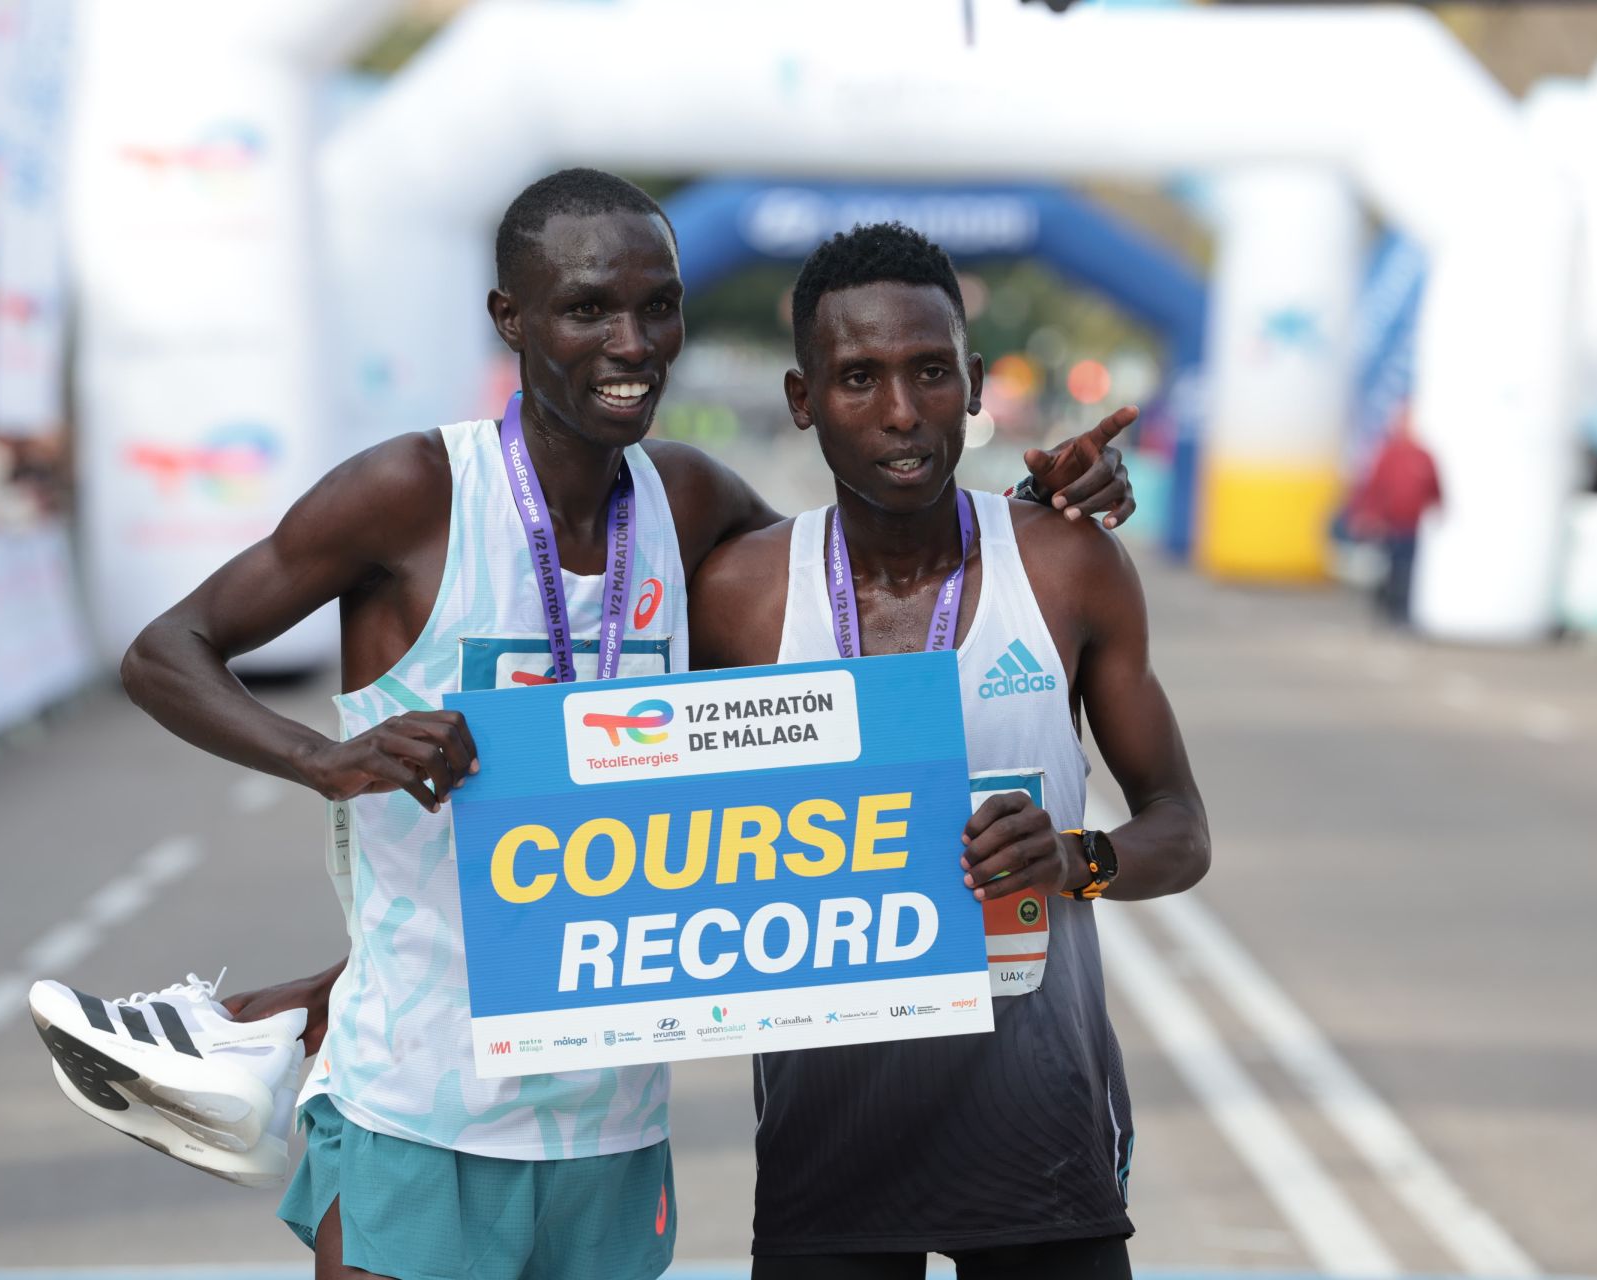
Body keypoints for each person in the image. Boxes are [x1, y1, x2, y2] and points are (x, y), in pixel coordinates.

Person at [101, 170, 1140, 1280]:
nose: (633, 342)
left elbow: (873, 542)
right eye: (589, 308)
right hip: (419, 1094)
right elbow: (165, 650)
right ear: (512, 320)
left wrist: (1030, 522)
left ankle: (270, 1016)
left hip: (608, 1108)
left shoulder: (688, 502)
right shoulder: (414, 491)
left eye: (660, 306)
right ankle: (269, 1025)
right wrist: (327, 758)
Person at [687, 223, 1210, 1277]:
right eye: (858, 378)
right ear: (803, 398)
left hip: (1036, 1133)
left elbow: (1181, 828)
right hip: (826, 1140)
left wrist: (1078, 859)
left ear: (973, 383)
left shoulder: (1065, 565)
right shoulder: (740, 596)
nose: (899, 412)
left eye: (930, 372)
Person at [1346, 411, 1442, 626]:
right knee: (1387, 571)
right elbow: (1373, 487)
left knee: (1407, 572)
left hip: (1412, 527)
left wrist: (1440, 507)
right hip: (1389, 526)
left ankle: (1402, 613)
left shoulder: (1423, 456)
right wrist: (1368, 516)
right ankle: (1385, 610)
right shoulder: (1388, 455)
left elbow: (1434, 487)